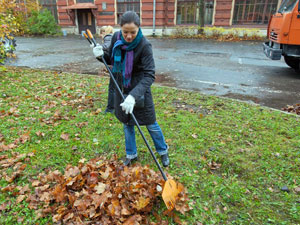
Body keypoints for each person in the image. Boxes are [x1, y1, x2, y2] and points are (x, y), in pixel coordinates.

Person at [92, 11, 170, 167]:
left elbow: (149, 75)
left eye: (132, 32)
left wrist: (133, 96)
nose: (128, 36)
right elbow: (112, 60)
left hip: (139, 90)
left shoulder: (144, 45)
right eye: (125, 32)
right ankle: (131, 154)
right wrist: (100, 56)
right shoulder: (116, 38)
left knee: (150, 123)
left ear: (139, 29)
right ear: (120, 28)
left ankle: (163, 151)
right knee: (127, 123)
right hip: (122, 87)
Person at [99, 26, 115, 113]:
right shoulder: (113, 37)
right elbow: (106, 58)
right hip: (116, 64)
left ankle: (111, 109)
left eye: (100, 34)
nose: (100, 36)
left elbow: (107, 47)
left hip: (116, 66)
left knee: (113, 88)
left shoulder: (108, 37)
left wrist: (99, 47)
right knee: (116, 87)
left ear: (103, 33)